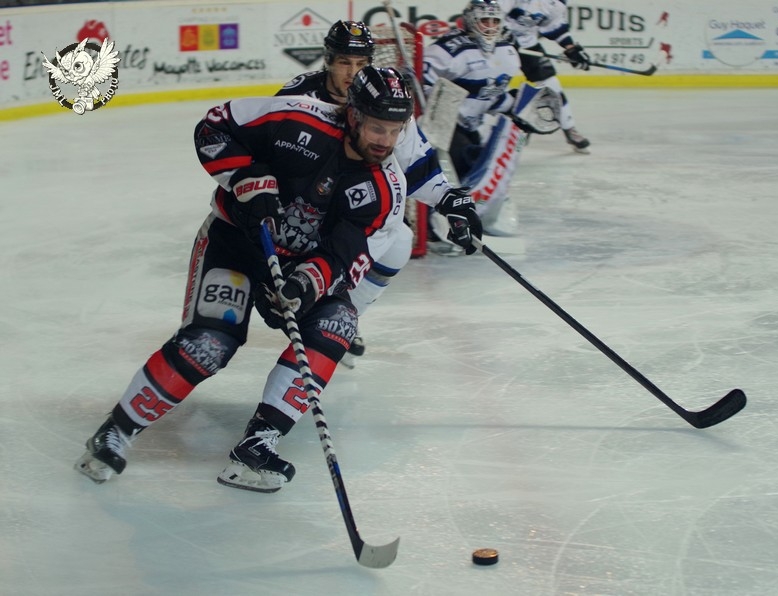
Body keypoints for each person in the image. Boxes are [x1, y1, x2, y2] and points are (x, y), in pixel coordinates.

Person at [74, 66, 480, 493]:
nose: (385, 140)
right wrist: (243, 177)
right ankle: (116, 431)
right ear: (355, 116)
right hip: (234, 245)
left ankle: (256, 444)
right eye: (377, 127)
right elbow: (214, 126)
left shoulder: (385, 189)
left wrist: (305, 284)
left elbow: (343, 255)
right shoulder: (296, 118)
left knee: (338, 324)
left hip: (295, 266)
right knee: (211, 343)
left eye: (395, 130)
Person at [278, 20, 483, 366]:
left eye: (361, 64)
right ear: (328, 60)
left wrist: (450, 200)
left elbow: (416, 163)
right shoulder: (298, 97)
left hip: (349, 211)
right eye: (344, 62)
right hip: (297, 213)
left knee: (400, 237)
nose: (352, 73)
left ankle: (341, 316)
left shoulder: (383, 98)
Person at [423, 0, 536, 235]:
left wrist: (517, 107)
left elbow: (491, 96)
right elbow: (422, 83)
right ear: (471, 20)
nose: (490, 26)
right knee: (449, 174)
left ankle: (463, 216)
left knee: (477, 172)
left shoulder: (507, 52)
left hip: (472, 126)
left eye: (495, 21)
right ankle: (435, 225)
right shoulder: (448, 49)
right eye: (485, 20)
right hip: (444, 126)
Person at [498, 0, 591, 152]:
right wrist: (501, 31)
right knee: (494, 86)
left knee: (551, 85)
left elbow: (554, 25)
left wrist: (571, 48)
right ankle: (493, 133)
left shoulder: (556, 2)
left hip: (527, 44)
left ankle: (569, 128)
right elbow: (491, 11)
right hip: (496, 44)